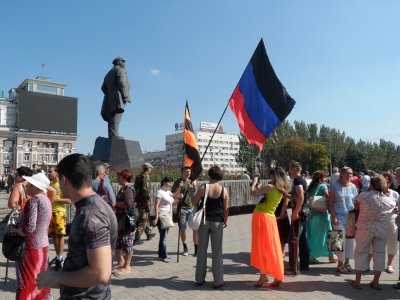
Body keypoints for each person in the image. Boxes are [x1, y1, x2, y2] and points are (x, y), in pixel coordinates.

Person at [36, 154, 118, 299]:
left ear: (64, 179)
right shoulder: (92, 207)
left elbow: (100, 273)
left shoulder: (92, 214)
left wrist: (57, 277)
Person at [7, 173, 52, 299]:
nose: (26, 186)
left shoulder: (33, 201)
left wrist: (14, 230)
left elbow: (28, 229)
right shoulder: (46, 200)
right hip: (43, 246)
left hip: (30, 248)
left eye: (30, 184)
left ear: (37, 188)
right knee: (40, 281)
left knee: (26, 282)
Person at [351, 175, 395, 290]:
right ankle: (375, 282)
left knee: (360, 252)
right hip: (380, 230)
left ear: (372, 185)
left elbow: (358, 207)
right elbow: (391, 208)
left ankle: (357, 281)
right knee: (380, 254)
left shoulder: (364, 196)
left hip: (364, 229)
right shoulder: (388, 200)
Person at [250, 167, 291, 287]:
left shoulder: (270, 187)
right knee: (272, 247)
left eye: (272, 175)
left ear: (275, 176)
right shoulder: (281, 190)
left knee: (261, 247)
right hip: (271, 218)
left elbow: (252, 193)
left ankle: (263, 276)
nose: (270, 177)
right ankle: (277, 275)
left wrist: (253, 184)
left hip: (261, 217)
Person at [189, 165, 229, 288]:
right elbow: (226, 208)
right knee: (217, 252)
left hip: (204, 221)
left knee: (201, 250)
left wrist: (191, 191)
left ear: (209, 175)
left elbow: (194, 202)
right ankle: (218, 280)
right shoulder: (224, 190)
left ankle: (200, 279)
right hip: (217, 221)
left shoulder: (203, 187)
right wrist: (225, 220)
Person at [328, 166, 358, 274]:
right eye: (348, 173)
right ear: (342, 174)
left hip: (350, 216)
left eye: (351, 174)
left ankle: (347, 262)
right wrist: (333, 216)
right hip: (338, 215)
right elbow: (330, 201)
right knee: (338, 240)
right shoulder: (334, 185)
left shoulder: (353, 186)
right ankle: (339, 264)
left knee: (349, 240)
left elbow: (355, 202)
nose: (350, 176)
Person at [306, 171, 337, 264]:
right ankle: (332, 255)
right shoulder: (323, 186)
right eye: (324, 178)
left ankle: (311, 256)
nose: (325, 179)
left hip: (312, 214)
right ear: (320, 178)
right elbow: (328, 196)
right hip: (322, 214)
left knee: (313, 235)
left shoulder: (310, 187)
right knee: (331, 232)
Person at [285, 162, 309, 275]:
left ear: (294, 169)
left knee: (293, 239)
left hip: (299, 213)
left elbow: (300, 196)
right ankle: (304, 264)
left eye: (290, 169)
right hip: (302, 212)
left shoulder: (297, 180)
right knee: (302, 239)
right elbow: (298, 195)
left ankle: (293, 267)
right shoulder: (301, 180)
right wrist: (287, 195)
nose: (289, 171)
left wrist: (295, 212)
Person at [48, 166, 72, 271]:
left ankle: (60, 257)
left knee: (60, 235)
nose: (48, 173)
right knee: (53, 235)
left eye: (50, 171)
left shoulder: (62, 185)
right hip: (50, 212)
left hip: (59, 212)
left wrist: (57, 199)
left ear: (57, 173)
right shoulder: (50, 184)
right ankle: (58, 256)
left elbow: (69, 200)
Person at [101, 56, 131, 139]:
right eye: (122, 62)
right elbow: (122, 82)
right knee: (116, 115)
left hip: (109, 97)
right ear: (118, 62)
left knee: (112, 115)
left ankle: (112, 134)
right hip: (118, 96)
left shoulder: (108, 73)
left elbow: (103, 87)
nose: (124, 64)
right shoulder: (120, 70)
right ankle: (115, 134)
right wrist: (125, 95)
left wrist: (109, 93)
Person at [113, 169, 136, 277]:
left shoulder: (128, 189)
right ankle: (121, 262)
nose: (118, 178)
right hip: (120, 219)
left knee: (127, 243)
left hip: (126, 220)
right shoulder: (123, 189)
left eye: (120, 177)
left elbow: (129, 203)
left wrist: (114, 203)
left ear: (125, 178)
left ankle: (127, 266)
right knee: (118, 242)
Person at [171, 164, 198, 256]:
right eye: (187, 171)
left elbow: (195, 196)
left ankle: (196, 248)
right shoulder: (178, 182)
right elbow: (174, 196)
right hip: (182, 208)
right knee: (183, 229)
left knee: (195, 228)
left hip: (191, 208)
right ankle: (185, 248)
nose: (188, 173)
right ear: (182, 172)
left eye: (190, 172)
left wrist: (190, 191)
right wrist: (179, 188)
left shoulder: (192, 182)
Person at [153, 177, 181, 262]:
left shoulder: (168, 192)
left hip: (168, 217)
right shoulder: (160, 192)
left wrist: (179, 199)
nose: (170, 185)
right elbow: (156, 205)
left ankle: (161, 254)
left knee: (163, 237)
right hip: (162, 217)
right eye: (169, 183)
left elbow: (172, 204)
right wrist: (157, 217)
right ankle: (164, 255)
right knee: (164, 237)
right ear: (164, 182)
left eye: (171, 183)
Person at [380, 172, 399, 274]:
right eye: (382, 181)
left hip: (392, 222)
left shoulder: (395, 194)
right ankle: (376, 264)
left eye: (387, 181)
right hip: (379, 222)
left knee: (392, 243)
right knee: (377, 244)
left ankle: (389, 264)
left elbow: (398, 207)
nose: (384, 183)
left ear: (390, 182)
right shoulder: (377, 194)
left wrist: (397, 210)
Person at [134, 163, 155, 244]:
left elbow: (136, 188)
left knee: (145, 217)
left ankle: (149, 233)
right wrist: (148, 201)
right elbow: (145, 189)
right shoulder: (146, 177)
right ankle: (137, 238)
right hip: (143, 200)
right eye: (150, 168)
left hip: (139, 200)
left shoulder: (138, 176)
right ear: (148, 168)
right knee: (143, 219)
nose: (151, 169)